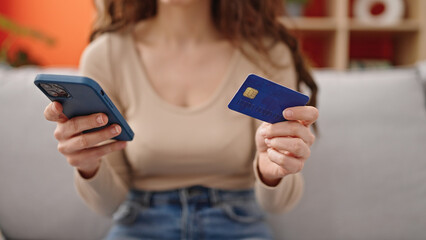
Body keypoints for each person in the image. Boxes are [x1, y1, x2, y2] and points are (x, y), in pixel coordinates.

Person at [44, 0, 319, 239]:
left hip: (239, 224)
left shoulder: (268, 54)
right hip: (140, 224)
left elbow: (277, 205)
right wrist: (88, 165)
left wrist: (272, 173)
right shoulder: (106, 55)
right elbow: (109, 205)